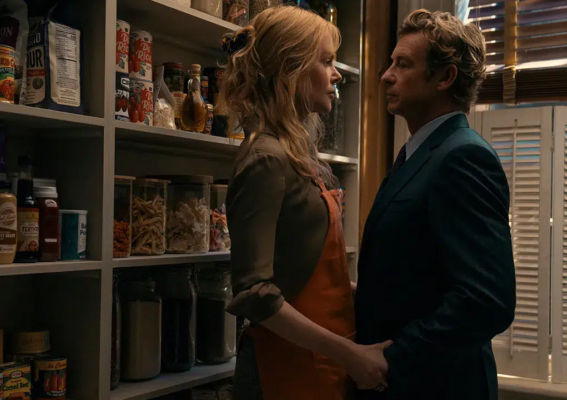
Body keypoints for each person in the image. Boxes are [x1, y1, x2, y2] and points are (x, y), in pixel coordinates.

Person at [221, 5, 389, 400]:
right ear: (290, 69)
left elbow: (301, 267)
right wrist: (349, 353)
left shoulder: (300, 156)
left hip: (320, 363)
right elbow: (255, 293)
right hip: (281, 368)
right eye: (326, 61)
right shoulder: (265, 159)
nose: (336, 74)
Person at [354, 9, 517, 400]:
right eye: (391, 63)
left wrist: (393, 358)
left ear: (445, 78)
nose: (386, 75)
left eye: (403, 64)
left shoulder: (463, 157)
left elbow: (486, 302)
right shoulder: (419, 153)